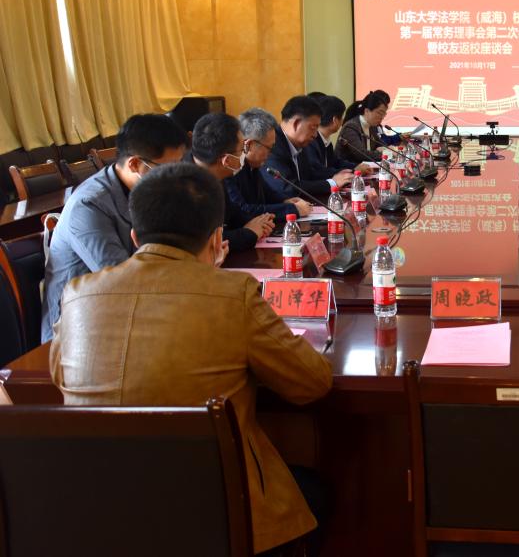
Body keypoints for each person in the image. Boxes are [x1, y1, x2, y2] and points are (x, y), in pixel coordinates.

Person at [50, 162, 333, 555]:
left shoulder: (77, 294)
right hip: (216, 510)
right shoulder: (233, 294)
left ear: (135, 236)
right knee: (316, 491)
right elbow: (313, 383)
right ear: (217, 238)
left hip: (100, 512)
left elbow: (59, 375)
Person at [41, 114, 187, 342]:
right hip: (76, 332)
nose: (175, 178)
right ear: (135, 164)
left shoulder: (148, 191)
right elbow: (121, 280)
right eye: (168, 169)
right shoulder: (88, 205)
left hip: (128, 312)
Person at [189, 112, 274, 253]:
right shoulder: (183, 188)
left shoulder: (216, 171)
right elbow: (205, 243)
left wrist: (260, 223)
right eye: (242, 150)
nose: (245, 154)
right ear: (226, 160)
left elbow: (232, 214)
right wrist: (249, 233)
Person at [226, 108, 312, 221]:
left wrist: (285, 201)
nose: (271, 153)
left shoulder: (253, 165)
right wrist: (293, 209)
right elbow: (243, 211)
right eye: (269, 148)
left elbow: (267, 195)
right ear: (250, 145)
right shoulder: (229, 168)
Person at [263, 95, 354, 201]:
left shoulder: (299, 143)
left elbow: (310, 174)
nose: (315, 135)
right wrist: (332, 183)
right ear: (296, 123)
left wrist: (341, 175)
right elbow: (287, 187)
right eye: (313, 128)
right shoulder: (273, 144)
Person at [338, 93, 389, 164]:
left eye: (384, 114)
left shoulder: (372, 126)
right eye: (380, 113)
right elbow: (361, 154)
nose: (382, 117)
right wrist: (387, 154)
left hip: (367, 167)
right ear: (366, 111)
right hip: (349, 168)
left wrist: (388, 149)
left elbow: (380, 144)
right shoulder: (351, 127)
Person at [307, 94, 346, 171]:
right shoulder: (311, 141)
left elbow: (336, 162)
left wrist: (356, 167)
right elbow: (318, 171)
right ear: (335, 120)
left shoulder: (326, 140)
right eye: (341, 117)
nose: (342, 121)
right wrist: (352, 171)